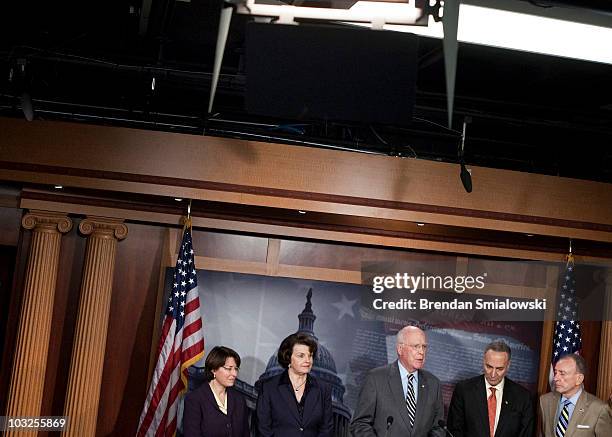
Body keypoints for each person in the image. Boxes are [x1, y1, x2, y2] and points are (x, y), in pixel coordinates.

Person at [350, 325, 444, 437]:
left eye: (424, 347)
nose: (421, 352)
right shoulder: (376, 378)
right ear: (400, 349)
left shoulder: (433, 383)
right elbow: (360, 424)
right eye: (416, 346)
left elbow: (438, 428)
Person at [447, 340, 534, 437]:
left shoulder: (522, 397)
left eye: (499, 369)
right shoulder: (464, 390)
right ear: (483, 361)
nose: (493, 374)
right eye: (489, 367)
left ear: (508, 366)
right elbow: (454, 431)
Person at [256, 332, 333, 437]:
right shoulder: (269, 387)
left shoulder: (323, 388)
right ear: (288, 358)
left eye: (310, 356)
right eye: (301, 356)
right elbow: (264, 429)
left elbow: (326, 429)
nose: (307, 360)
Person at [183, 346, 250, 437]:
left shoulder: (239, 400)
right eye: (229, 368)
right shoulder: (195, 399)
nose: (234, 374)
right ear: (214, 369)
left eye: (236, 369)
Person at [540, 354, 612, 437]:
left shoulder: (599, 409)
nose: (555, 378)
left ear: (579, 379)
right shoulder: (545, 401)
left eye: (562, 373)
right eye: (555, 372)